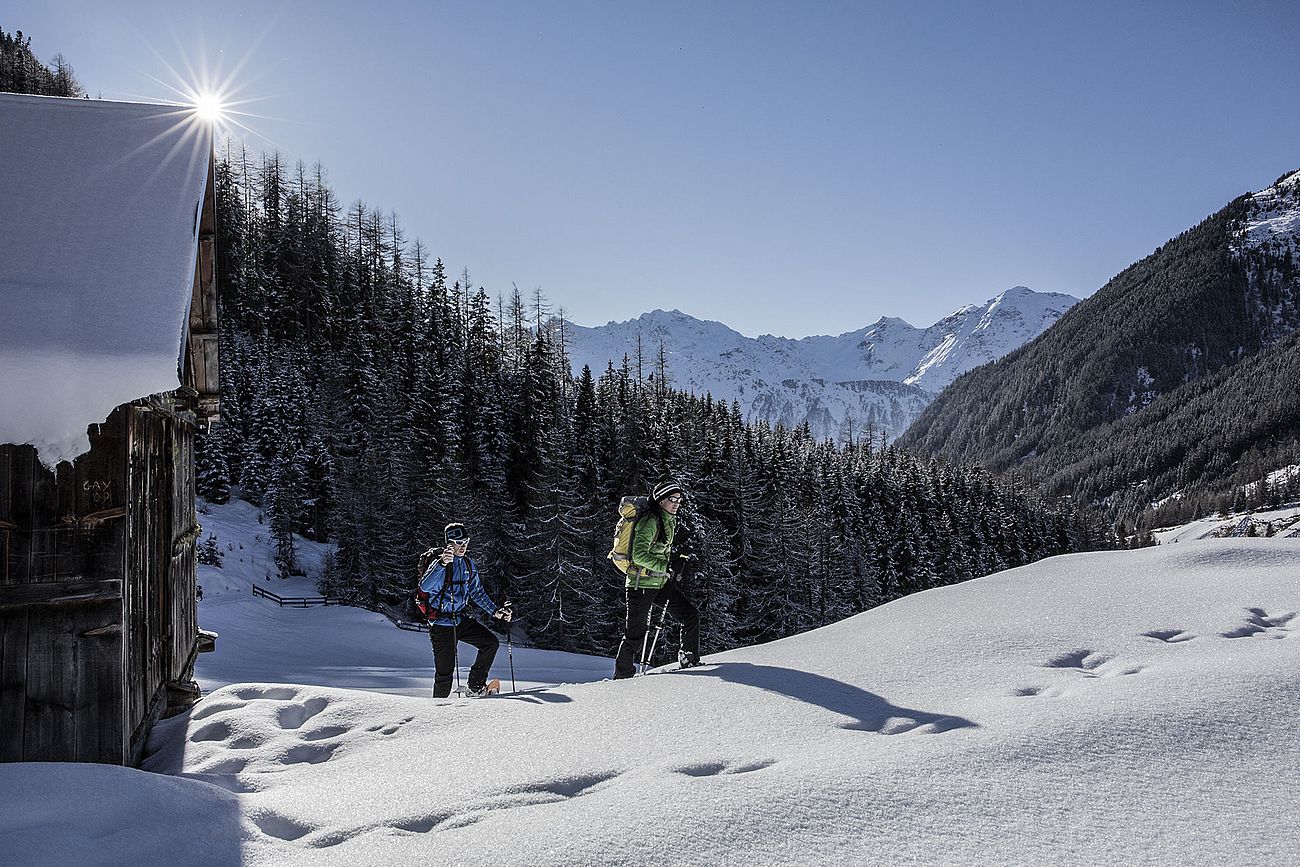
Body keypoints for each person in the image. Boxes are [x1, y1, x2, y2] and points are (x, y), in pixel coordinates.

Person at [612, 480, 701, 678]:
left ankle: (689, 658)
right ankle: (622, 676)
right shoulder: (650, 521)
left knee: (690, 614)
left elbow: (656, 551)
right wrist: (667, 566)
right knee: (635, 633)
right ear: (661, 500)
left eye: (679, 499)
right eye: (672, 499)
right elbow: (638, 555)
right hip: (640, 585)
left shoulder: (667, 518)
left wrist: (674, 559)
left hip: (659, 582)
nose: (677, 503)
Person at [417, 522, 512, 697]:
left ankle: (475, 687)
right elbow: (425, 586)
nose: (463, 546)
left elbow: (477, 592)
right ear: (449, 544)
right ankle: (436, 713)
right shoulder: (439, 564)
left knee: (490, 643)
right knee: (445, 674)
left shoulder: (468, 564)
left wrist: (495, 611)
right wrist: (441, 564)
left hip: (460, 620)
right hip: (441, 624)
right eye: (459, 542)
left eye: (466, 542)